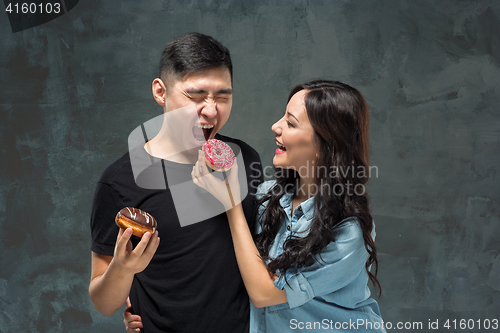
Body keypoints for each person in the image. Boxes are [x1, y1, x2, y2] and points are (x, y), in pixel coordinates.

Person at [89, 32, 263, 333]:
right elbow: (104, 302)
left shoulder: (245, 159)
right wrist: (123, 269)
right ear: (161, 92)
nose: (211, 110)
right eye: (195, 96)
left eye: (223, 96)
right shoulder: (119, 182)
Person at [191, 80, 386, 332]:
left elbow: (265, 294)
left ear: (324, 146)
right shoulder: (266, 196)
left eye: (290, 123)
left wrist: (232, 205)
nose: (275, 126)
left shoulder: (350, 232)